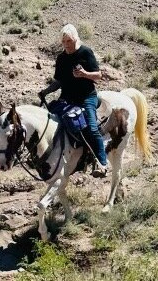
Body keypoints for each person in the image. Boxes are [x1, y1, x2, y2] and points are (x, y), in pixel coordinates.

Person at [38, 24, 108, 177]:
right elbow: (59, 82)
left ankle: (102, 163)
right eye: (63, 42)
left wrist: (84, 74)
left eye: (69, 41)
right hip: (67, 99)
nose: (66, 45)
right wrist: (45, 91)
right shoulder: (62, 58)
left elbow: (98, 75)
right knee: (49, 123)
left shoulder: (85, 52)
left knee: (91, 128)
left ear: (75, 39)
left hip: (86, 97)